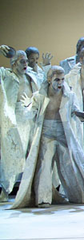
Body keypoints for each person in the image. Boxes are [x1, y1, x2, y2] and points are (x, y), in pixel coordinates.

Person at [10, 66, 84, 209]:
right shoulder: (40, 96)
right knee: (45, 164)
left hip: (63, 131)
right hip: (47, 132)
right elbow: (32, 112)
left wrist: (79, 114)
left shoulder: (69, 95)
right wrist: (25, 109)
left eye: (62, 79)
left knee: (69, 163)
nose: (60, 83)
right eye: (56, 80)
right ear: (49, 80)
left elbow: (74, 109)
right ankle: (43, 198)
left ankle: (78, 195)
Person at [0, 47, 39, 201]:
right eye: (22, 61)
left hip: (31, 119)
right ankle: (6, 189)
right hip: (15, 121)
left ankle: (30, 190)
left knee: (32, 154)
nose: (26, 64)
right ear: (13, 63)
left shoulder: (31, 77)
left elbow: (40, 91)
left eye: (26, 61)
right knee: (14, 154)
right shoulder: (7, 76)